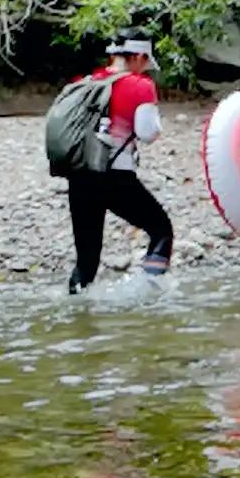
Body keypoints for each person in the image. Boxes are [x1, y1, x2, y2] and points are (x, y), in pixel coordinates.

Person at [66, 36, 177, 291]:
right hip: (115, 177)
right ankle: (151, 295)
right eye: (145, 62)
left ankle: (78, 309)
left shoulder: (88, 82)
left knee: (87, 260)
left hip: (80, 174)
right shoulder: (140, 85)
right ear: (138, 57)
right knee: (161, 230)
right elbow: (147, 132)